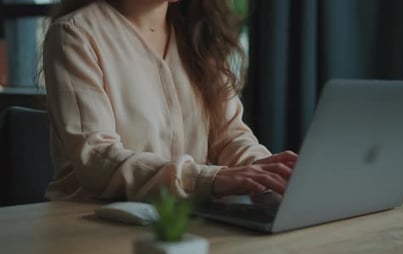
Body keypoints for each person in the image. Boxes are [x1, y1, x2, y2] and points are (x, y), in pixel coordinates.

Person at [42, 0, 297, 202]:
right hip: (88, 223)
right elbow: (96, 159)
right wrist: (210, 179)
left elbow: (229, 136)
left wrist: (265, 171)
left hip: (183, 220)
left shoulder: (200, 35)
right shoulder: (75, 34)